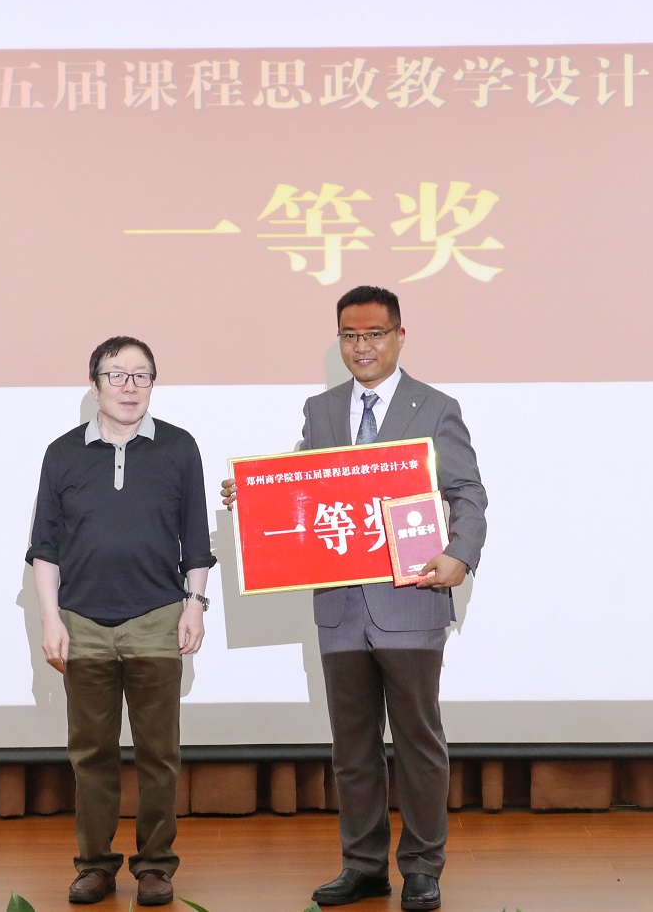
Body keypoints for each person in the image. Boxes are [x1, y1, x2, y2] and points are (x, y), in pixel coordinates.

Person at [222, 286, 487, 911]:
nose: (361, 346)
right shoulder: (321, 410)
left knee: (418, 742)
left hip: (412, 599)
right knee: (352, 747)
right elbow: (305, 487)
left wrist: (461, 554)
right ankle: (364, 865)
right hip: (340, 607)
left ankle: (421, 867)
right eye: (349, 335)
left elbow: (468, 493)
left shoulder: (436, 408)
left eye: (374, 334)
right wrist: (254, 497)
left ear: (399, 336)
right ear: (338, 340)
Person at [27, 335, 216, 907]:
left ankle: (155, 865)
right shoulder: (62, 453)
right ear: (95, 384)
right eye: (117, 374)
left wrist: (195, 604)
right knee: (92, 755)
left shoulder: (179, 447)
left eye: (141, 376)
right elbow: (44, 547)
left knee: (159, 754)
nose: (129, 387)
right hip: (81, 622)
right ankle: (94, 865)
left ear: (153, 384)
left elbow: (196, 538)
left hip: (157, 617)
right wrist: (50, 620)